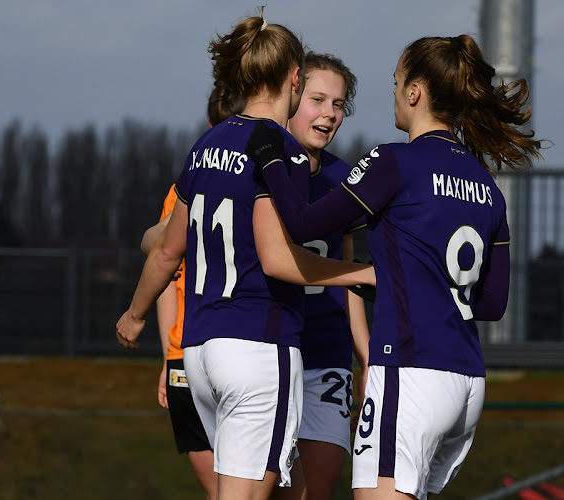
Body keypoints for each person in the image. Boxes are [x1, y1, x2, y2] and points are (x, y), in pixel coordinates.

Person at [246, 34, 543, 500]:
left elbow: (303, 223)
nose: (393, 91)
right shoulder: (487, 185)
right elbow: (492, 303)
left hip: (409, 370)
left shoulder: (394, 160)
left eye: (396, 80)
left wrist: (268, 159)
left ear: (415, 92)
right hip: (466, 379)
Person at [116, 12, 375, 500]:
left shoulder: (205, 145)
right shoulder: (282, 152)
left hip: (200, 351)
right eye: (313, 94)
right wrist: (364, 273)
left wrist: (134, 315)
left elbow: (169, 249)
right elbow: (278, 260)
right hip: (258, 344)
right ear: (294, 78)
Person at [138, 83, 245, 500]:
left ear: (208, 126)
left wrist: (170, 357)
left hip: (190, 354)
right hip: (245, 348)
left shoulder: (186, 185)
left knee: (223, 493)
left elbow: (164, 266)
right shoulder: (268, 179)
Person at [278, 52, 370, 500]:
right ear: (292, 95)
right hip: (268, 350)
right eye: (318, 99)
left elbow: (348, 269)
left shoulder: (345, 178)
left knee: (316, 489)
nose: (330, 113)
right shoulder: (259, 167)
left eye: (339, 103)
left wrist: (365, 354)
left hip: (327, 355)